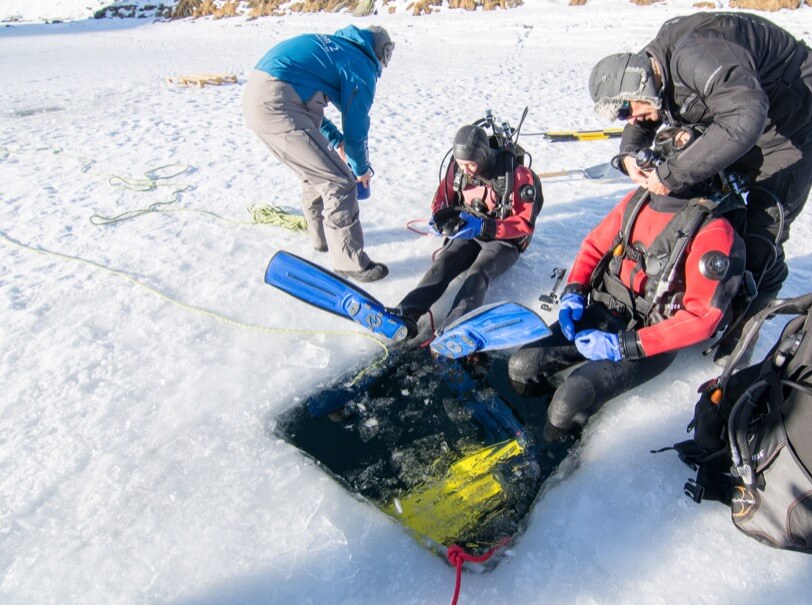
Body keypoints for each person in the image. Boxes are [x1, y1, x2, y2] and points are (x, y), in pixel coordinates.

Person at [588, 12, 812, 360]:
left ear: (640, 84)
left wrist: (671, 175)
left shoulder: (698, 58)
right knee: (712, 196)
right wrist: (630, 151)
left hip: (798, 116)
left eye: (628, 110)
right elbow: (646, 111)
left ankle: (748, 317)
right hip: (744, 106)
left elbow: (745, 119)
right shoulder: (649, 66)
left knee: (765, 222)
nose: (630, 120)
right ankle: (710, 288)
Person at [508, 135, 747, 440]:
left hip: (650, 337)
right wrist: (574, 293)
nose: (646, 173)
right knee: (522, 364)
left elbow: (703, 318)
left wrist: (623, 346)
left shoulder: (713, 230)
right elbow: (594, 245)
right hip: (606, 306)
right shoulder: (638, 200)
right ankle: (525, 427)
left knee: (570, 399)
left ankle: (553, 447)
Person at [243, 25, 394, 282]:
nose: (385, 62)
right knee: (339, 180)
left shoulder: (337, 49)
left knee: (315, 170)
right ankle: (349, 262)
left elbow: (306, 107)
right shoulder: (361, 64)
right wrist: (360, 170)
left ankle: (322, 239)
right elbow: (356, 129)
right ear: (379, 51)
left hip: (260, 95)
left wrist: (336, 141)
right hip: (276, 103)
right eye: (387, 55)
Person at [388, 123, 543, 339]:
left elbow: (524, 224)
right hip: (469, 231)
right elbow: (442, 198)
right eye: (461, 164)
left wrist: (485, 227)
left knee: (479, 271)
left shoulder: (517, 176)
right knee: (445, 262)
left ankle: (455, 325)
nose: (465, 170)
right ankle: (406, 313)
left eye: (470, 164)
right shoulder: (456, 169)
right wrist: (439, 217)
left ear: (483, 156)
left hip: (504, 238)